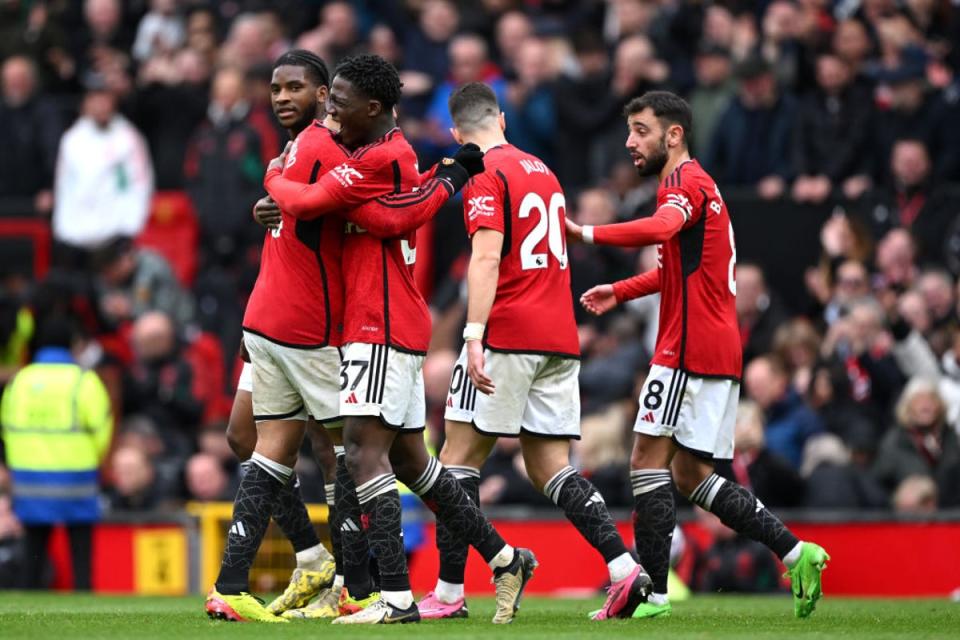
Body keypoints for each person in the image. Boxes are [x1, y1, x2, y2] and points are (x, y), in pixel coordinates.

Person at [263, 54, 537, 625]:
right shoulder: (379, 156)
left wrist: (276, 175)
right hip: (388, 320)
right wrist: (446, 177)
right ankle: (506, 558)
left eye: (338, 100)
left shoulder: (383, 156)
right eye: (329, 97)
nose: (328, 108)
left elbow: (369, 216)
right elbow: (395, 208)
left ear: (372, 107)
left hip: (377, 322)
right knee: (414, 463)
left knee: (361, 454)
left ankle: (394, 598)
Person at [567, 91, 829, 620]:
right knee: (690, 475)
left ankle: (653, 594)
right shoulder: (691, 186)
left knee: (645, 459)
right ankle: (797, 552)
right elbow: (677, 268)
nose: (629, 141)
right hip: (712, 346)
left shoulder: (685, 183)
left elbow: (661, 229)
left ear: (674, 134)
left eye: (640, 130)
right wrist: (621, 290)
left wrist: (588, 231)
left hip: (689, 347)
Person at [418, 81, 651, 622]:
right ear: (502, 118)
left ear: (456, 134)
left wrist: (472, 335)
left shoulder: (482, 174)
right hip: (558, 336)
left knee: (456, 462)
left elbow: (486, 258)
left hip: (508, 333)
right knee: (551, 468)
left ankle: (449, 594)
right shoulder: (542, 170)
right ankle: (623, 569)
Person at [206, 51, 342, 624]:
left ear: (322, 93)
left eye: (295, 87)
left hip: (316, 323)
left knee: (339, 454)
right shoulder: (289, 150)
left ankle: (355, 580)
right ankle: (313, 558)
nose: (282, 96)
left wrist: (279, 196)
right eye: (275, 87)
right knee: (243, 436)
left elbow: (341, 213)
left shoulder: (327, 144)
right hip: (270, 317)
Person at [1, 317, 113, 589]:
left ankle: (29, 604)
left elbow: (7, 428)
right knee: (81, 553)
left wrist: (19, 464)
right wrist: (92, 458)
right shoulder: (83, 381)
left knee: (33, 551)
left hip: (30, 480)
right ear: (73, 345)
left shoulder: (20, 381)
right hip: (76, 479)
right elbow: (103, 426)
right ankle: (84, 599)